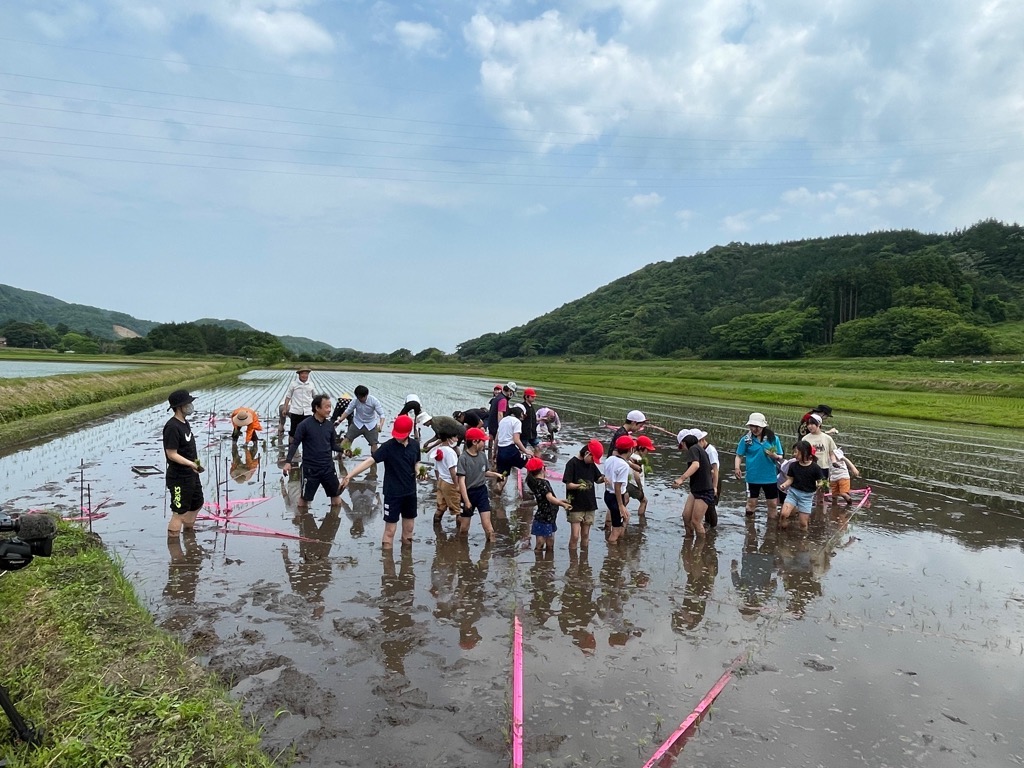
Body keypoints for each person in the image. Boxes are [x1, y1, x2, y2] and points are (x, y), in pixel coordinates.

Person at [342, 414, 421, 548]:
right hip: (393, 494)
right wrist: (349, 475)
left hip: (410, 493)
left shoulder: (414, 445)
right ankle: (387, 564)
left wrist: (419, 471)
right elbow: (370, 461)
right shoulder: (388, 447)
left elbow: (417, 462)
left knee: (409, 529)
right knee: (390, 531)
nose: (397, 437)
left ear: (408, 433)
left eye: (401, 435)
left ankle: (407, 563)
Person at [282, 394, 345, 508]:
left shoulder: (329, 426)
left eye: (330, 407)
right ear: (317, 408)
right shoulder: (304, 425)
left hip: (328, 468)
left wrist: (344, 450)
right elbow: (295, 444)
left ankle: (334, 521)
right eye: (326, 407)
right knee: (304, 501)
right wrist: (288, 462)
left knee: (336, 498)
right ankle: (303, 521)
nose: (329, 410)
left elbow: (332, 445)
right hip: (310, 469)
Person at [164, 389, 205, 536]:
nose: (190, 406)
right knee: (179, 512)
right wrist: (190, 464)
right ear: (180, 406)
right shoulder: (172, 427)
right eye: (188, 403)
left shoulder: (184, 424)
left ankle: (188, 533)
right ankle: (174, 549)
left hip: (191, 474)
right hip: (178, 477)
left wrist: (195, 464)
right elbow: (172, 454)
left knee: (197, 503)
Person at [734, 412, 784, 520]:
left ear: (763, 426)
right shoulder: (746, 440)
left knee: (773, 504)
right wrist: (737, 468)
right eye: (752, 426)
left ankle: (771, 529)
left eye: (757, 427)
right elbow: (739, 455)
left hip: (770, 477)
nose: (754, 429)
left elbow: (780, 456)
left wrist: (774, 455)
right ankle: (750, 530)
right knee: (751, 504)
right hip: (753, 477)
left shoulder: (773, 439)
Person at [456, 427, 504, 540]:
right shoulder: (463, 458)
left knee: (488, 527)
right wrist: (466, 501)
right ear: (474, 442)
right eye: (482, 441)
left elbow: (484, 472)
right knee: (464, 528)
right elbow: (461, 481)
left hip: (481, 492)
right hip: (468, 493)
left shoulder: (482, 456)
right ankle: (462, 551)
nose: (485, 443)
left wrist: (496, 475)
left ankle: (489, 551)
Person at [563, 439, 605, 550]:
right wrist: (579, 486)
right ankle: (573, 562)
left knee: (586, 535)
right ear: (587, 453)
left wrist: (604, 478)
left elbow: (598, 479)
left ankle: (584, 561)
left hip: (589, 503)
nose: (593, 461)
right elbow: (568, 485)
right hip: (575, 504)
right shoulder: (572, 463)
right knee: (575, 536)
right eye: (593, 458)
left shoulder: (591, 465)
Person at [672, 432, 714, 537]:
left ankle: (700, 547)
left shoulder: (693, 449)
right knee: (686, 516)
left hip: (704, 490)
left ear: (685, 443)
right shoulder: (700, 449)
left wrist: (682, 479)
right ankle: (688, 541)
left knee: (696, 521)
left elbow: (695, 465)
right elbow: (711, 471)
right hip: (696, 489)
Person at [779, 440, 828, 529]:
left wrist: (820, 485)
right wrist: (784, 485)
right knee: (783, 514)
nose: (794, 454)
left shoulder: (815, 468)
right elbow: (790, 479)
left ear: (805, 453)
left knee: (803, 523)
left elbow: (820, 481)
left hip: (807, 497)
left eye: (796, 452)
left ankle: (803, 540)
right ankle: (782, 532)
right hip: (793, 493)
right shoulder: (793, 465)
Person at [525, 456, 571, 551]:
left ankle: (542, 562)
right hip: (546, 517)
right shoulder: (543, 483)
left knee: (543, 541)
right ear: (542, 469)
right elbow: (549, 498)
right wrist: (562, 504)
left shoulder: (535, 482)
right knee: (545, 542)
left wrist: (561, 501)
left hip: (546, 516)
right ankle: (546, 562)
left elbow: (546, 498)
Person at [338, 384, 387, 456]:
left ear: (366, 395)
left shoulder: (374, 401)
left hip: (371, 425)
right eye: (358, 397)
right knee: (347, 438)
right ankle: (339, 455)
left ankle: (374, 458)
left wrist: (381, 425)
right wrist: (340, 420)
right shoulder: (355, 401)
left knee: (374, 443)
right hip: (357, 423)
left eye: (361, 397)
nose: (360, 399)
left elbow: (382, 414)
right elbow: (348, 411)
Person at [603, 435, 634, 544]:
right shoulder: (624, 466)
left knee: (625, 517)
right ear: (631, 449)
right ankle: (613, 554)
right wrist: (621, 505)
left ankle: (619, 546)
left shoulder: (610, 459)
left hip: (607, 494)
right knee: (615, 530)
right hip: (616, 497)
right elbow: (617, 486)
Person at [495, 402, 530, 480]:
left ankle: (496, 490)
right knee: (530, 465)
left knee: (503, 476)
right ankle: (530, 485)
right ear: (520, 413)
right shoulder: (517, 422)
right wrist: (525, 451)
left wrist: (495, 453)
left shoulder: (503, 420)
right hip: (510, 451)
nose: (524, 417)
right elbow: (516, 440)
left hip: (501, 452)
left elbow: (496, 439)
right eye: (523, 415)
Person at [432, 436, 461, 524]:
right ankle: (461, 534)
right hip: (450, 483)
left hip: (441, 481)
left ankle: (437, 529)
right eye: (455, 437)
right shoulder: (450, 452)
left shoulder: (439, 450)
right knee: (459, 510)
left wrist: (438, 481)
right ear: (449, 438)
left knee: (440, 508)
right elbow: (453, 471)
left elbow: (436, 469)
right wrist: (457, 486)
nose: (457, 439)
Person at [282, 367, 315, 442]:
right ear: (299, 375)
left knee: (308, 432)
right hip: (296, 411)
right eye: (302, 373)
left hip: (308, 412)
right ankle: (292, 448)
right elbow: (288, 397)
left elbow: (315, 397)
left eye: (306, 373)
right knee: (293, 432)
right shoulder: (293, 384)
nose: (304, 375)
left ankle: (307, 450)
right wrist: (285, 409)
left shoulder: (311, 384)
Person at [628, 435, 656, 519]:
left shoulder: (631, 456)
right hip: (634, 486)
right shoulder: (638, 459)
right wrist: (640, 488)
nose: (647, 452)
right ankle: (641, 521)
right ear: (641, 448)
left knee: (624, 501)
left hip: (627, 484)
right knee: (644, 501)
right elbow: (636, 475)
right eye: (647, 450)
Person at [487, 382, 516, 460]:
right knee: (499, 445)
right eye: (512, 393)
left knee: (492, 443)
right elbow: (500, 414)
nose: (511, 395)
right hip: (497, 425)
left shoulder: (497, 398)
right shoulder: (503, 400)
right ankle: (496, 460)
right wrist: (502, 427)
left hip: (491, 424)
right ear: (509, 391)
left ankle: (490, 458)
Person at [519, 387, 540, 455]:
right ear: (526, 397)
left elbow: (534, 420)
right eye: (532, 397)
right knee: (522, 449)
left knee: (537, 447)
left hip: (532, 433)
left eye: (534, 397)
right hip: (524, 433)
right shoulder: (522, 407)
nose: (534, 398)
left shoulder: (532, 407)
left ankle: (537, 462)